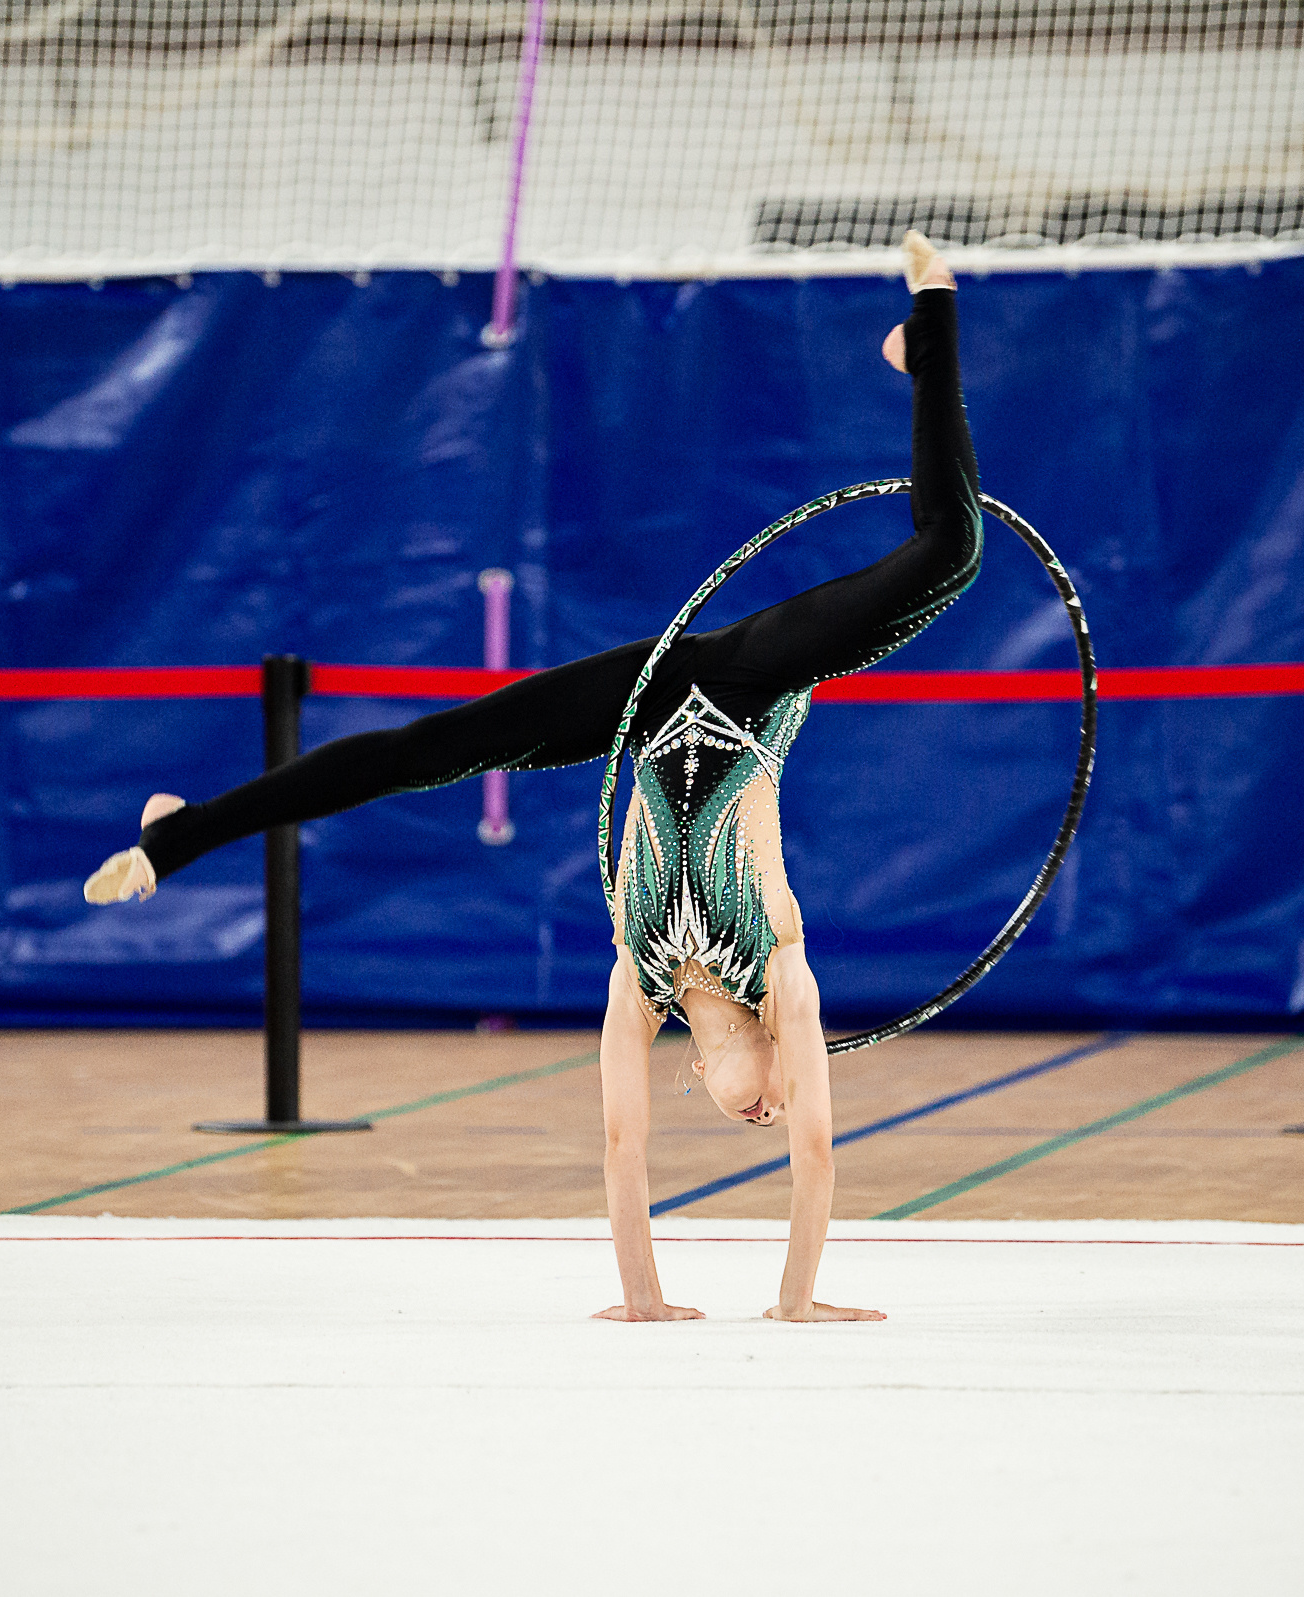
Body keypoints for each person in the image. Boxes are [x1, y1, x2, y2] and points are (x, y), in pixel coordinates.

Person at [85, 233, 980, 1323]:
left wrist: (644, 1299)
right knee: (952, 555)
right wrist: (796, 1302)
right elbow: (822, 1149)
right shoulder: (783, 969)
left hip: (647, 712)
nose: (777, 1110)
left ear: (698, 1073)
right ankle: (175, 837)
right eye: (786, 1100)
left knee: (427, 753)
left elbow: (621, 1144)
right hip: (749, 683)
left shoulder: (638, 984)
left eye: (764, 1109)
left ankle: (174, 834)